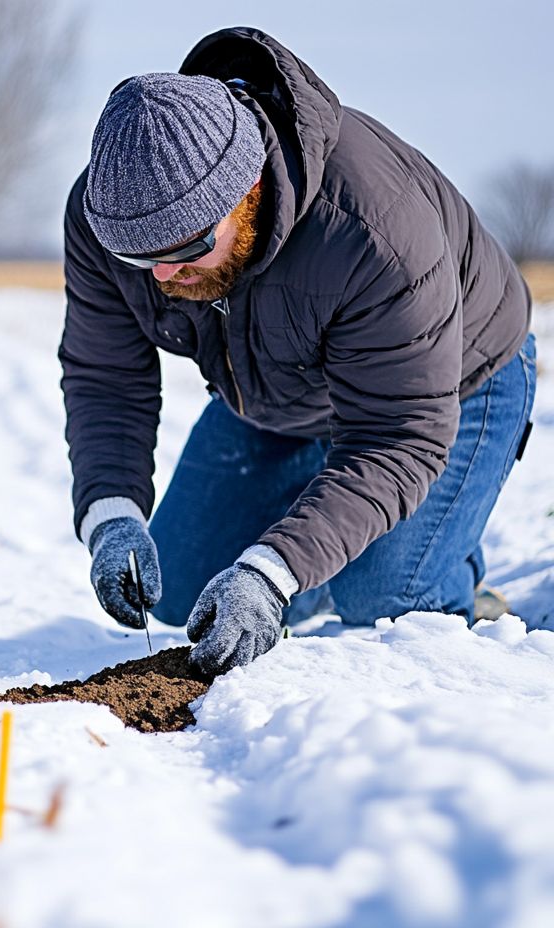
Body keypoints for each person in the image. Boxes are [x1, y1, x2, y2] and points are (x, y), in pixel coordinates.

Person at [60, 26, 536, 675]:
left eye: (187, 251)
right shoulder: (109, 215)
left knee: (384, 595)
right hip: (277, 392)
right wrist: (111, 513)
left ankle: (450, 584)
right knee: (177, 587)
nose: (163, 277)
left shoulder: (374, 233)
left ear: (245, 188)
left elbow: (400, 435)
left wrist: (271, 573)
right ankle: (312, 564)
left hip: (454, 382)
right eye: (137, 258)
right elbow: (106, 376)